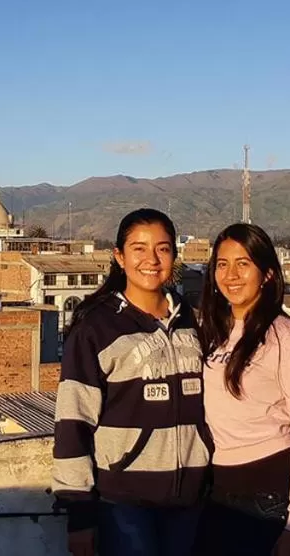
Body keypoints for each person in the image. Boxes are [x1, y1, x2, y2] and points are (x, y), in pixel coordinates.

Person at [52, 207, 211, 556]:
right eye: (139, 248)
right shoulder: (96, 329)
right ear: (119, 257)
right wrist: (79, 515)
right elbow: (73, 422)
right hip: (125, 504)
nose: (151, 259)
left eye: (163, 248)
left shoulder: (193, 320)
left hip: (192, 502)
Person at [196, 223, 290, 556]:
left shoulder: (285, 337)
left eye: (244, 263)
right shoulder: (216, 330)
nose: (231, 275)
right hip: (220, 490)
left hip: (267, 495)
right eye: (222, 264)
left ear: (267, 274)